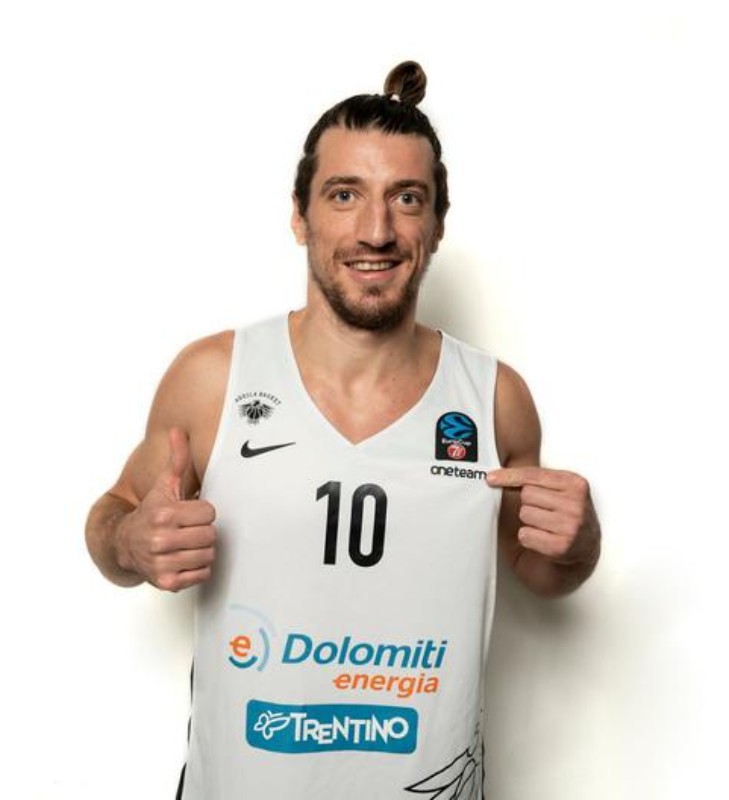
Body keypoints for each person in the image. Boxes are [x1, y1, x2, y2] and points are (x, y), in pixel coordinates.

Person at [86, 61, 601, 799]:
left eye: (407, 198)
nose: (376, 231)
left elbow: (543, 571)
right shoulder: (215, 377)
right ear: (300, 215)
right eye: (344, 194)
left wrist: (579, 544)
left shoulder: (493, 399)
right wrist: (130, 541)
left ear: (437, 224)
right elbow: (112, 519)